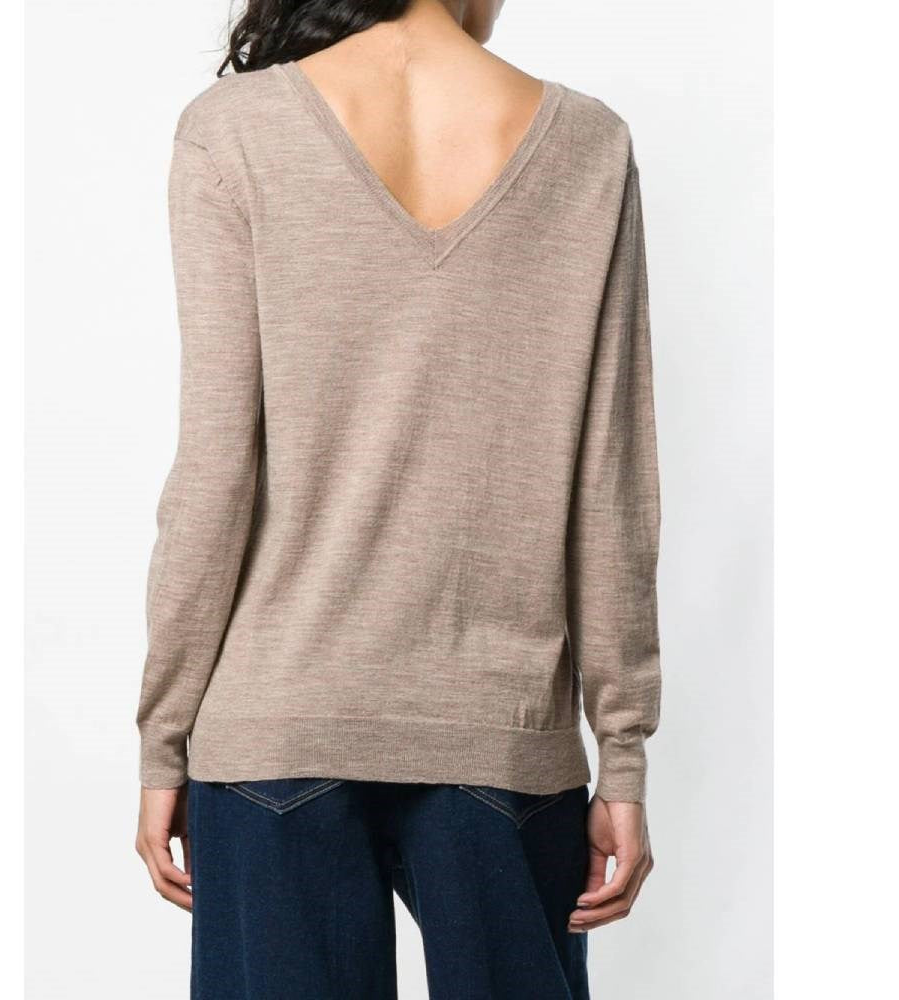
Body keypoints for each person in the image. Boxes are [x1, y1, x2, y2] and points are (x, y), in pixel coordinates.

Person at [134, 1, 661, 996]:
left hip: (274, 724)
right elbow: (612, 486)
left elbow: (214, 468)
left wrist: (164, 737)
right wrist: (622, 753)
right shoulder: (588, 146)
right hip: (500, 729)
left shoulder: (234, 129)